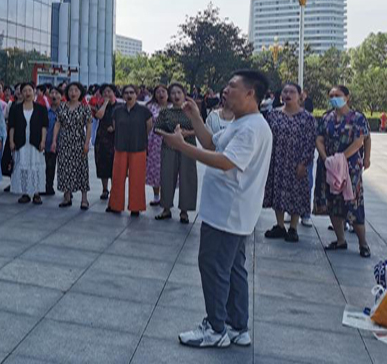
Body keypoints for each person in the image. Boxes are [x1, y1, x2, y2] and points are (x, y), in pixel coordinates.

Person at [158, 70, 272, 349]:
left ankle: (215, 328)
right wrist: (196, 117)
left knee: (213, 267)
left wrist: (181, 147)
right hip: (232, 212)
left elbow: (224, 161)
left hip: (227, 212)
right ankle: (237, 326)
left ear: (250, 93)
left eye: (233, 86)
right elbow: (212, 143)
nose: (226, 90)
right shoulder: (242, 123)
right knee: (232, 269)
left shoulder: (251, 128)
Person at [316, 85, 371, 258]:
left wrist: (341, 158)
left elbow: (360, 140)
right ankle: (340, 240)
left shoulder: (357, 118)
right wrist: (326, 158)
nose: (334, 98)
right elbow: (319, 139)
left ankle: (363, 244)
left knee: (352, 203)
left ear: (347, 97)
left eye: (337, 95)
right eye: (331, 95)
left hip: (350, 167)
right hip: (329, 165)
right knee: (333, 203)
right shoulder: (326, 118)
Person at [262, 82, 317, 243]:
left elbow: (310, 142)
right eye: (285, 91)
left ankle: (293, 228)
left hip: (297, 162)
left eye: (292, 92)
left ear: (300, 96)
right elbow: (266, 137)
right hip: (277, 160)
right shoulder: (273, 115)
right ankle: (280, 225)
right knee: (277, 192)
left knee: (297, 193)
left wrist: (304, 163)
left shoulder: (307, 118)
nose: (287, 94)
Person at [155, 83, 198, 224]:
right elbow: (156, 129)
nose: (176, 96)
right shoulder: (165, 112)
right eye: (173, 93)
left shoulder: (191, 111)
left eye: (179, 92)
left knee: (187, 177)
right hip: (169, 147)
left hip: (188, 147)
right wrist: (170, 136)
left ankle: (184, 211)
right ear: (169, 96)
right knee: (167, 177)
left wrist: (187, 133)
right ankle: (166, 208)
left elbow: (200, 128)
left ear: (184, 94)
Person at [108, 84, 153, 217]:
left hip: (138, 148)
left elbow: (149, 127)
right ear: (122, 95)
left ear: (136, 94)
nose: (129, 95)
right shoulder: (117, 111)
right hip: (120, 147)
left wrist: (140, 138)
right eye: (126, 93)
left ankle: (136, 207)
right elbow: (115, 127)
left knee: (137, 179)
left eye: (131, 92)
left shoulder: (144, 111)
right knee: (117, 178)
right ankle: (115, 205)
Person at [51, 82, 93, 210]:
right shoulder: (62, 106)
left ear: (81, 92)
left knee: (82, 169)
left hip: (79, 141)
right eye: (70, 90)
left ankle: (84, 199)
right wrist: (54, 141)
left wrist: (87, 143)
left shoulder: (85, 108)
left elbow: (89, 126)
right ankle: (67, 196)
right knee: (64, 168)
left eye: (76, 90)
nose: (73, 93)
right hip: (64, 141)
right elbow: (57, 124)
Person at [8, 82, 49, 205]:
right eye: (24, 90)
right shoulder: (15, 108)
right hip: (20, 142)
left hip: (35, 143)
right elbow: (11, 126)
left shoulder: (41, 109)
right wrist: (11, 141)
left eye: (29, 90)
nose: (27, 93)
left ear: (34, 91)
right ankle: (25, 192)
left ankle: (36, 193)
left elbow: (44, 127)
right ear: (21, 93)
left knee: (36, 168)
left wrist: (43, 141)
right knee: (23, 167)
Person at [145, 85, 168, 206]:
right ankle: (156, 196)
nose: (161, 94)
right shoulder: (150, 107)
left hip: (169, 141)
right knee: (155, 169)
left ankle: (166, 197)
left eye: (163, 91)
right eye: (158, 92)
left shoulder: (172, 107)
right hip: (154, 141)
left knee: (167, 169)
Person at [94, 84, 117, 201]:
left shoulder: (120, 106)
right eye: (104, 92)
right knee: (102, 163)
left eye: (109, 91)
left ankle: (115, 189)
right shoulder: (100, 105)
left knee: (114, 165)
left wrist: (115, 127)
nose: (107, 94)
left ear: (114, 93)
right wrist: (105, 103)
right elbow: (99, 116)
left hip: (115, 139)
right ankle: (104, 189)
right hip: (102, 138)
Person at [44, 87, 62, 196]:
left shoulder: (65, 111)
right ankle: (48, 187)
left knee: (64, 167)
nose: (54, 95)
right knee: (49, 166)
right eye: (52, 93)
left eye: (57, 93)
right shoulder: (46, 112)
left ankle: (67, 191)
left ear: (61, 96)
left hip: (63, 143)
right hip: (49, 143)